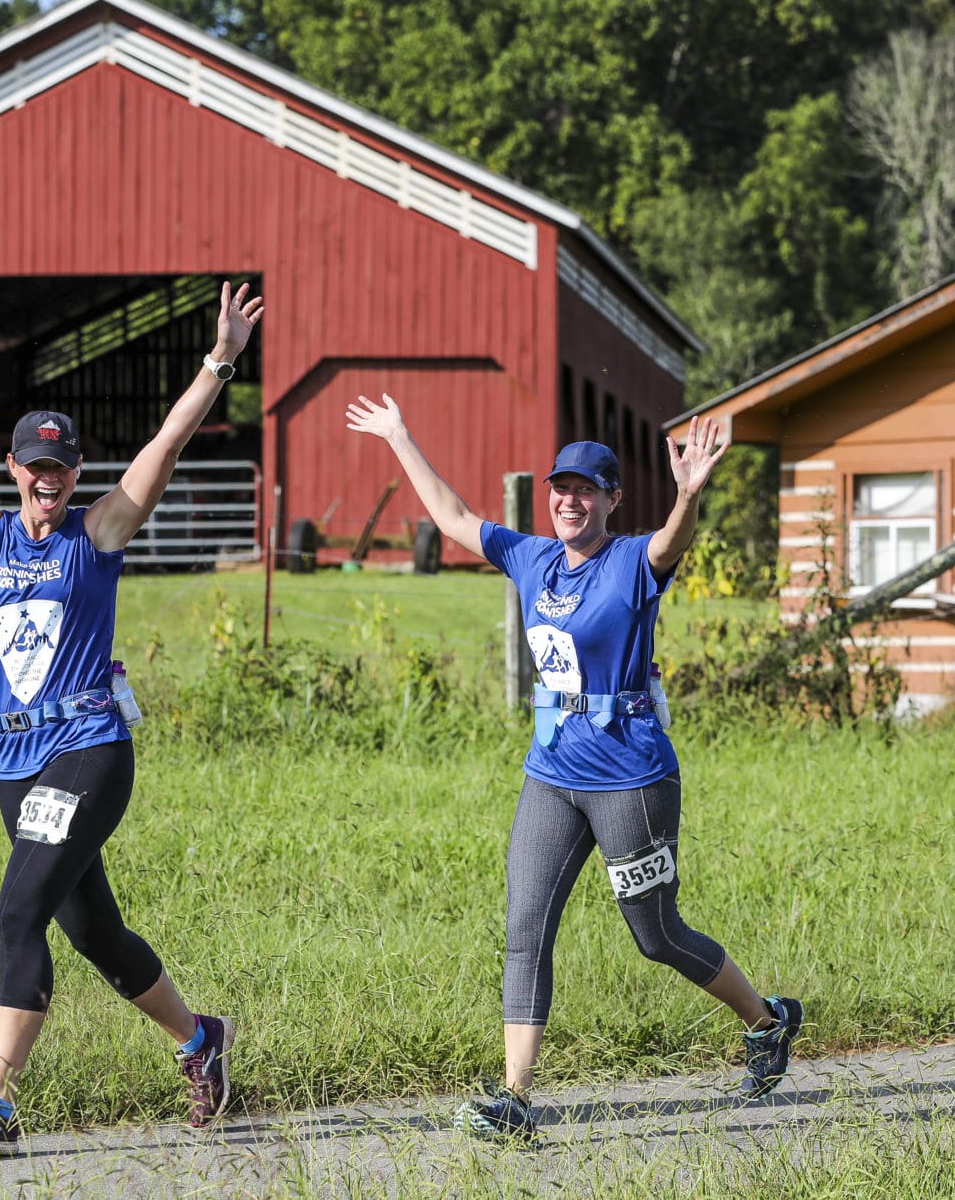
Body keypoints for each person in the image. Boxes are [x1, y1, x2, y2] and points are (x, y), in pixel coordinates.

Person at [0, 279, 264, 1153]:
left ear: (74, 476)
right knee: (92, 927)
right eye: (37, 467)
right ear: (14, 469)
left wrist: (219, 361)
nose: (49, 481)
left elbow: (164, 446)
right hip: (16, 762)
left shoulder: (94, 538)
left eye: (63, 469)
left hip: (91, 748)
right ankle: (200, 1038)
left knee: (19, 909)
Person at [343, 396, 802, 1143]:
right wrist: (400, 434)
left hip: (631, 778)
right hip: (551, 773)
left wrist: (688, 493)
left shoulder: (630, 562)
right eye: (562, 487)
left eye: (586, 489)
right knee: (526, 924)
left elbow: (669, 543)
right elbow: (457, 518)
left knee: (656, 935)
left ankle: (766, 1020)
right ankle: (516, 1097)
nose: (569, 499)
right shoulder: (531, 557)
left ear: (613, 499)